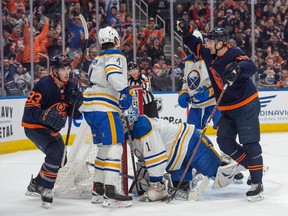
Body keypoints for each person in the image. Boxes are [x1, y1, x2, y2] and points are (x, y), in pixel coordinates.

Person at [177, 24, 265, 202]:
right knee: (224, 142)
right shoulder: (209, 54)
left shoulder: (234, 53)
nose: (207, 43)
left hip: (246, 104)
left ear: (221, 43)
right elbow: (195, 45)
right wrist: (186, 33)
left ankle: (257, 182)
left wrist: (238, 68)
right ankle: (253, 166)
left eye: (211, 41)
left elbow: (250, 66)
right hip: (227, 108)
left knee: (250, 142)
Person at [124, 107, 240, 202]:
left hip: (191, 142)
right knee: (180, 185)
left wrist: (156, 184)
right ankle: (194, 173)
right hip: (176, 159)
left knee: (220, 175)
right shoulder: (132, 131)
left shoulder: (142, 127)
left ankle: (242, 165)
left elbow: (155, 157)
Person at [79, 26, 133, 208]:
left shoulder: (97, 58)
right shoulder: (116, 55)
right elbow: (112, 72)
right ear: (116, 40)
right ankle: (111, 190)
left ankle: (98, 190)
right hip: (104, 107)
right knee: (116, 146)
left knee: (103, 149)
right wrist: (124, 91)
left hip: (90, 107)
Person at [21, 54, 83, 208]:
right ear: (54, 71)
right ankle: (47, 189)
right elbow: (29, 110)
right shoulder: (44, 85)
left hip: (51, 130)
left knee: (62, 160)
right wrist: (44, 116)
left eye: (68, 68)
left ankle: (36, 184)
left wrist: (77, 103)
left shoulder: (71, 86)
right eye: (62, 69)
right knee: (55, 151)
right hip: (35, 127)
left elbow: (75, 115)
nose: (66, 72)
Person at [178, 30, 221, 130]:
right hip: (196, 105)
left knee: (223, 132)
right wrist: (184, 93)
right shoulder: (187, 61)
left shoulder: (211, 58)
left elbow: (218, 80)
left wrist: (208, 91)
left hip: (214, 103)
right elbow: (186, 81)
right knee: (191, 133)